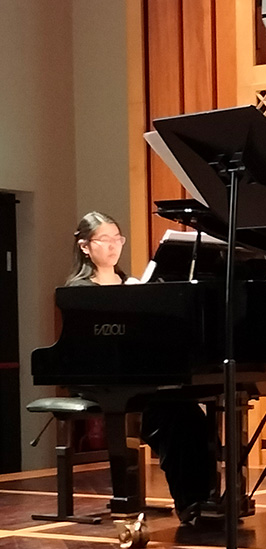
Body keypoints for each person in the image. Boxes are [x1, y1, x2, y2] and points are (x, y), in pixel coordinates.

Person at [66, 211, 215, 524]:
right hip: (102, 378)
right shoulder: (78, 290)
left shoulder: (133, 285)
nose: (113, 246)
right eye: (104, 240)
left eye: (117, 239)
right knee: (172, 416)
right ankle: (188, 502)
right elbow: (88, 348)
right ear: (85, 246)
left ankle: (205, 499)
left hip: (139, 375)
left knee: (191, 415)